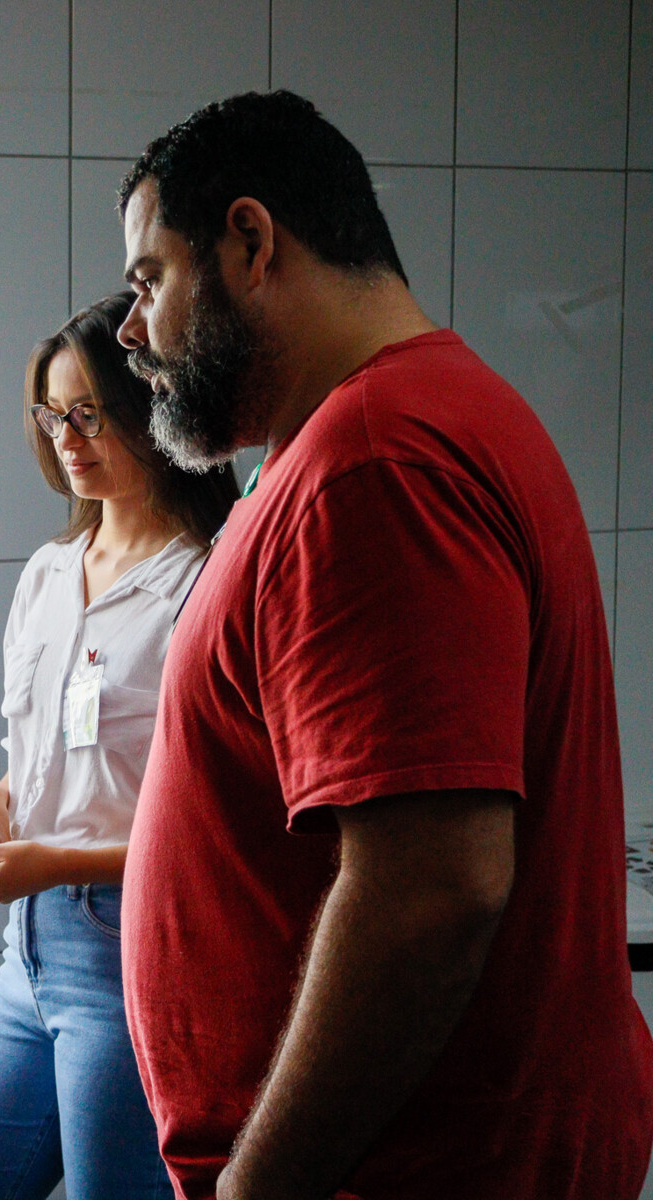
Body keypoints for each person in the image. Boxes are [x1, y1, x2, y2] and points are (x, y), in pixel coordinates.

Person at [114, 91, 653, 1199]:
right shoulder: (403, 422)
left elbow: (434, 889)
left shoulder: (374, 460)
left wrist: (260, 1184)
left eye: (149, 279)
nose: (130, 331)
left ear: (251, 242)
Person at [0, 294, 238, 1200]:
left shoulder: (203, 583)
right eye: (52, 417)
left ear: (147, 409)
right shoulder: (50, 573)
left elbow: (212, 832)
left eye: (89, 414)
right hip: (29, 956)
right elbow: (50, 766)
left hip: (133, 955)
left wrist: (53, 862)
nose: (67, 439)